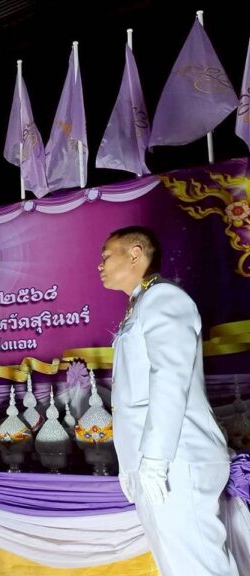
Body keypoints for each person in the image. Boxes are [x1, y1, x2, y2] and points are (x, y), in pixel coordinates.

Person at [99, 226, 236, 576]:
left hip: (177, 456)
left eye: (106, 256)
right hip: (157, 460)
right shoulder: (141, 305)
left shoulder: (163, 298)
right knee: (177, 566)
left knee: (198, 566)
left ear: (135, 253)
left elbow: (169, 379)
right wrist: (130, 465)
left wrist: (155, 460)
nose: (100, 265)